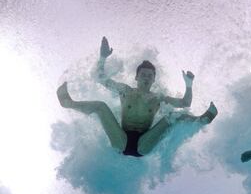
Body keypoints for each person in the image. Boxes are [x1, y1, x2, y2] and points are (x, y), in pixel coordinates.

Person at [57, 37, 217, 157]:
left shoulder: (158, 98)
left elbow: (185, 103)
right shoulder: (125, 90)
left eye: (150, 75)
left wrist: (188, 85)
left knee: (173, 116)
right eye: (143, 75)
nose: (146, 77)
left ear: (154, 79)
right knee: (100, 106)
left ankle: (202, 120)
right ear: (136, 77)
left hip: (143, 144)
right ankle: (68, 103)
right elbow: (101, 78)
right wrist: (103, 57)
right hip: (121, 140)